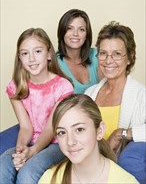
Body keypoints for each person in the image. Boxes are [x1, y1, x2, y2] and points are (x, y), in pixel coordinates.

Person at [0, 28, 74, 184]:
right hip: (31, 141)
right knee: (4, 164)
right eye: (25, 53)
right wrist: (21, 150)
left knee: (28, 173)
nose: (31, 59)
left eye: (37, 51)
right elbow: (26, 127)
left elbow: (50, 129)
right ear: (19, 58)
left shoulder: (63, 87)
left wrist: (32, 151)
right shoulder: (16, 87)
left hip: (56, 143)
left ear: (48, 54)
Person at [85, 21, 146, 184]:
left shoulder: (141, 95)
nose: (108, 60)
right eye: (103, 53)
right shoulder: (89, 94)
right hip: (88, 169)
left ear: (129, 58)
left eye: (117, 54)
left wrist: (122, 133)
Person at [39, 94, 139, 184]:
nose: (70, 142)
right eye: (62, 132)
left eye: (79, 129)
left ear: (99, 131)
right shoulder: (49, 179)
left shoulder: (126, 181)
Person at [56, 9, 103, 94]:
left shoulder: (96, 56)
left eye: (81, 29)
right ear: (62, 32)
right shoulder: (54, 62)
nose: (75, 34)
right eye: (69, 28)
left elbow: (108, 89)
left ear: (86, 35)